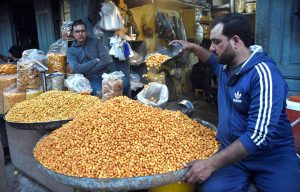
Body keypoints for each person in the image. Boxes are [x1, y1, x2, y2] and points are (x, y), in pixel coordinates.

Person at [171, 13, 300, 191]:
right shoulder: (225, 66)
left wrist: (210, 164)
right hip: (232, 154)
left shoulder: (263, 74)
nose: (212, 47)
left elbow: (257, 136)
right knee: (209, 190)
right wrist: (192, 47)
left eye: (216, 41)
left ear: (236, 41)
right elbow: (210, 60)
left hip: (271, 156)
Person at [67, 19, 112, 96]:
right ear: (73, 34)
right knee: (98, 93)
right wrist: (94, 61)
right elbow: (76, 69)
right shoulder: (71, 50)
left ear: (86, 32)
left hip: (104, 74)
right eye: (77, 31)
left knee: (121, 85)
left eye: (83, 31)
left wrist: (86, 70)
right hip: (86, 78)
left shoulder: (96, 42)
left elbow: (106, 60)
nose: (80, 34)